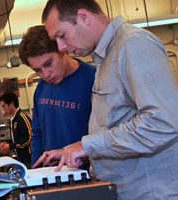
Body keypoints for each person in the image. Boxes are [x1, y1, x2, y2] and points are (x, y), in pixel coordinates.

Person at [35, 0, 178, 199]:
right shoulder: (106, 58)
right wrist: (76, 149)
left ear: (83, 17)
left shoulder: (132, 45)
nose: (61, 47)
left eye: (62, 35)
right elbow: (118, 122)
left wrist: (88, 145)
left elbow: (162, 122)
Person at [18, 25, 95, 166]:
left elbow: (108, 137)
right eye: (37, 70)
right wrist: (36, 171)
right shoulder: (41, 88)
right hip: (53, 177)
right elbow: (37, 133)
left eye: (48, 63)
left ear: (61, 50)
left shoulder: (94, 81)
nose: (46, 74)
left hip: (89, 176)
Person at [0, 92, 32, 168]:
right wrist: (7, 144)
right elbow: (18, 138)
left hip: (29, 159)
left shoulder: (21, 117)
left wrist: (10, 146)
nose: (3, 109)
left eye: (4, 106)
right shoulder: (13, 119)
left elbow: (29, 138)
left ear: (12, 104)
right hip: (21, 158)